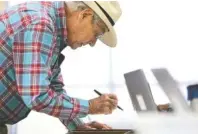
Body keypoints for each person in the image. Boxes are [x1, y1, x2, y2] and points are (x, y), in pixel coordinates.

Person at [0, 1, 122, 133]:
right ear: (85, 15)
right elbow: (37, 97)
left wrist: (77, 125)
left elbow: (54, 87)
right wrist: (90, 107)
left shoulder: (50, 24)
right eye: (97, 34)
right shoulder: (40, 24)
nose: (93, 43)